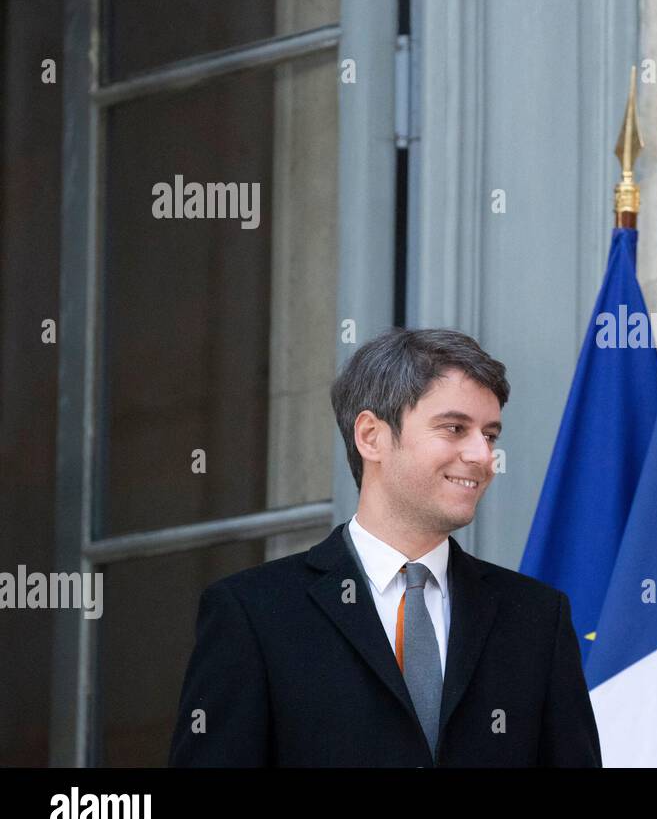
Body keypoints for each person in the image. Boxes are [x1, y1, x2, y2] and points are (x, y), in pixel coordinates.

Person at [169, 328, 601, 766]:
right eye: (455, 428)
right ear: (371, 436)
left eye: (489, 435)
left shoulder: (537, 619)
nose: (483, 456)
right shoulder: (254, 613)